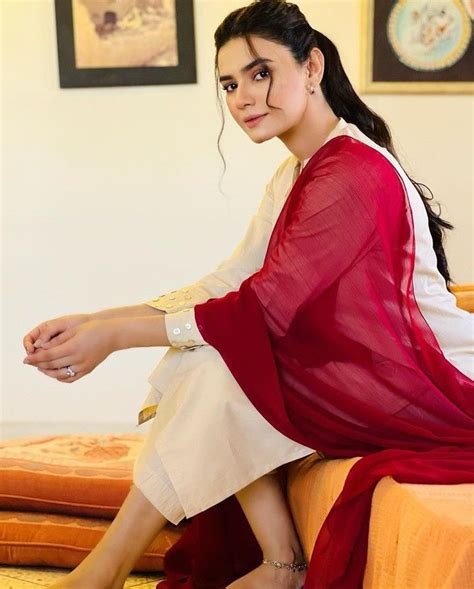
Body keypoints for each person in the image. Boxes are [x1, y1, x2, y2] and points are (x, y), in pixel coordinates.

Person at [23, 1, 473, 588]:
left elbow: (264, 307)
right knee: (211, 355)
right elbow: (228, 282)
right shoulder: (298, 171)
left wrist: (115, 337)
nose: (243, 97)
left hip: (432, 382)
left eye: (261, 73)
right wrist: (99, 320)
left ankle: (116, 572)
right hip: (374, 372)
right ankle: (267, 562)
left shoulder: (352, 172)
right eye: (230, 83)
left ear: (311, 67)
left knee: (220, 356)